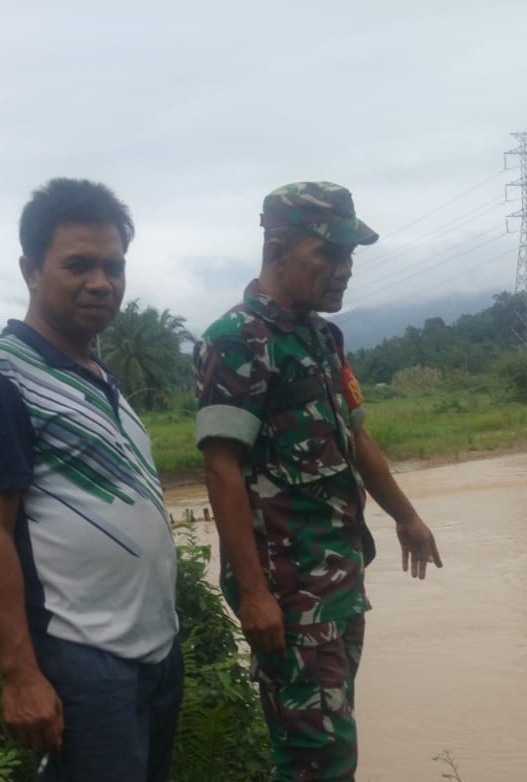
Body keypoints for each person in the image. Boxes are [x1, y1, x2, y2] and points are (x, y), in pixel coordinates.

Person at [193, 181, 442, 781]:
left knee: (331, 742)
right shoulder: (236, 341)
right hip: (288, 594)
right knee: (316, 760)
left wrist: (406, 517)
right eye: (327, 255)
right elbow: (221, 467)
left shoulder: (322, 338)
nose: (343, 271)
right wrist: (253, 594)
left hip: (338, 577)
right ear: (277, 250)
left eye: (350, 257)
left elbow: (357, 438)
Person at [0, 178, 181, 782]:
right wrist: (20, 673)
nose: (101, 282)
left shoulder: (99, 373)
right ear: (30, 269)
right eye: (78, 264)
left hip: (155, 651)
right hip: (81, 659)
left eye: (113, 266)